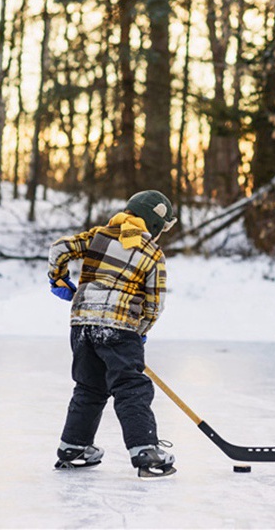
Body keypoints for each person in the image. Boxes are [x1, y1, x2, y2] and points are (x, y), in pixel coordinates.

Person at [47, 190, 178, 477]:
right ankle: (145, 450)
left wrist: (58, 278)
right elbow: (155, 303)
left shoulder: (98, 235)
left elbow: (59, 248)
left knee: (89, 387)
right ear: (154, 225)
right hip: (119, 326)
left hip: (82, 324)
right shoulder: (152, 253)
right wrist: (140, 331)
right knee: (131, 387)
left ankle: (74, 447)